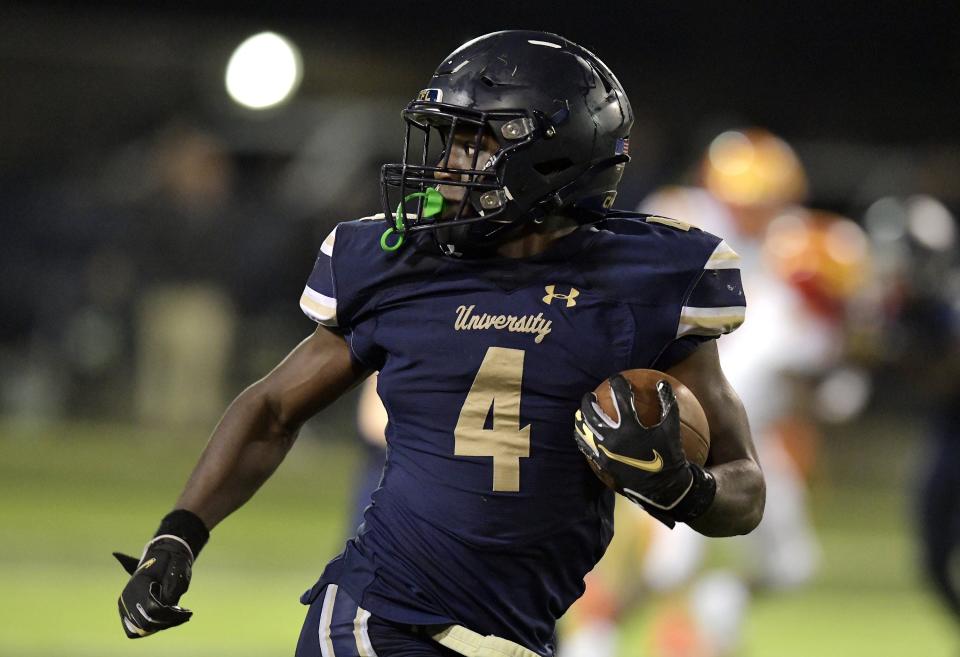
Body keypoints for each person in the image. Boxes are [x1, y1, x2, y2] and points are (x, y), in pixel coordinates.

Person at [113, 31, 765, 657]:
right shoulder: (399, 256)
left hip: (521, 635)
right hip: (381, 618)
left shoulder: (652, 277)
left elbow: (746, 486)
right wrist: (179, 534)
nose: (449, 163)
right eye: (449, 140)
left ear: (556, 156)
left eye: (475, 143)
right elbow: (273, 407)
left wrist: (683, 487)